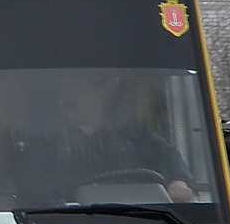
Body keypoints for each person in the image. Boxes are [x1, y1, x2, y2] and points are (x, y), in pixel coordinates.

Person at [15, 76, 196, 204]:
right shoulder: (46, 141)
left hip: (136, 220)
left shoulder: (132, 132)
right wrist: (76, 190)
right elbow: (32, 186)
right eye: (61, 95)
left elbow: (167, 155)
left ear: (99, 94)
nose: (64, 101)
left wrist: (178, 181)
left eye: (74, 91)